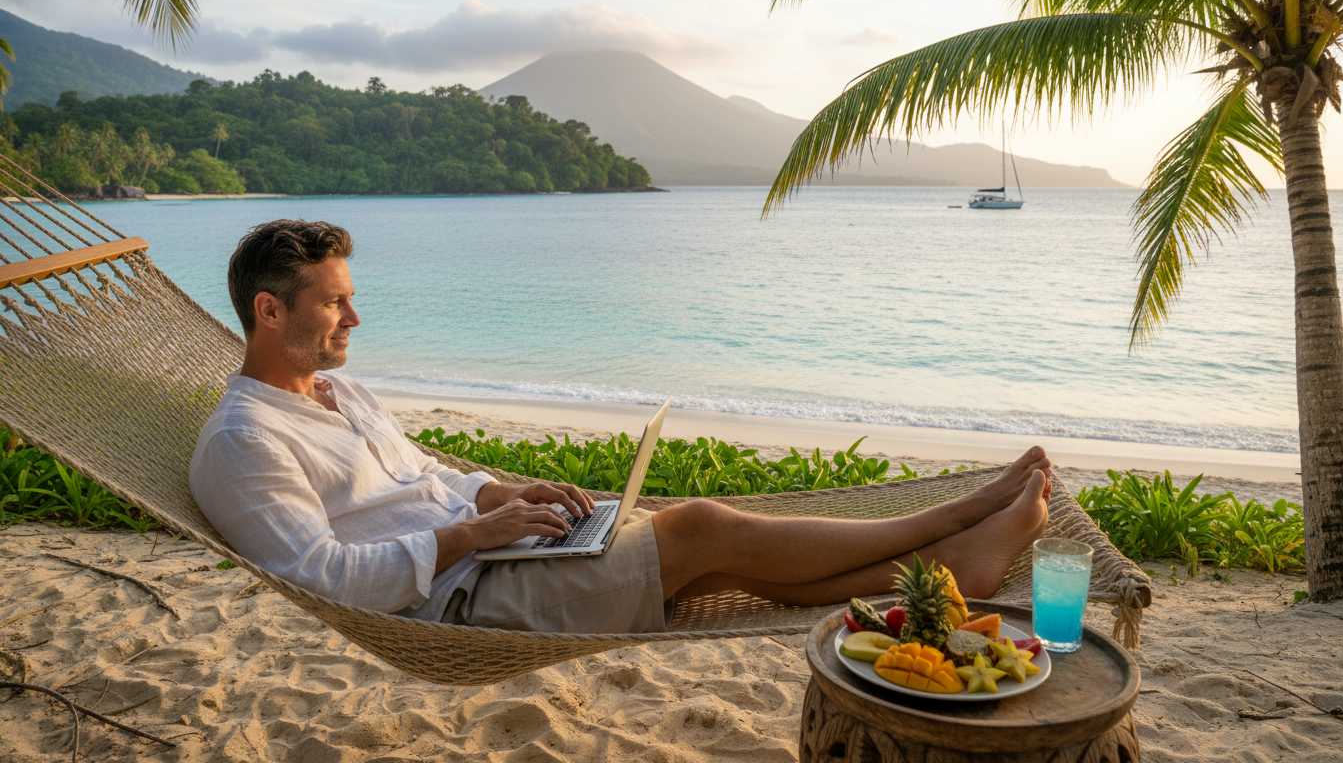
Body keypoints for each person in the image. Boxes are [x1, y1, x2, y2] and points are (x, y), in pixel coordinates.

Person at [190, 219, 1053, 634]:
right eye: (336, 303)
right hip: (458, 599)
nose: (355, 319)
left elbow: (428, 479)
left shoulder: (342, 396)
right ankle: (947, 526)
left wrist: (499, 493)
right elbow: (326, 579)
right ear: (270, 311)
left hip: (492, 556)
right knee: (706, 529)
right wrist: (473, 536)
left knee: (721, 561)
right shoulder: (243, 443)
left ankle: (942, 568)